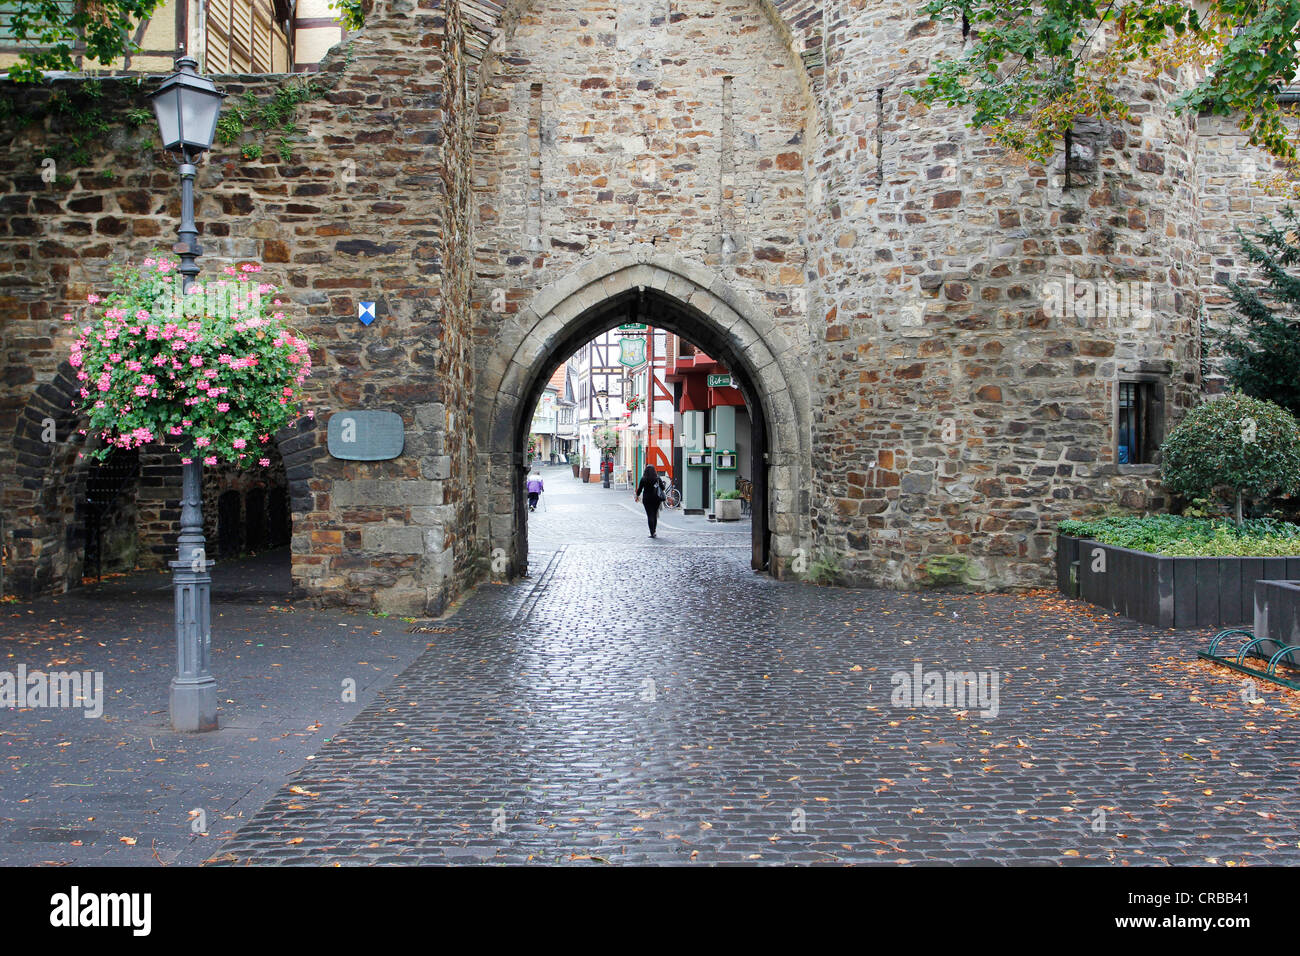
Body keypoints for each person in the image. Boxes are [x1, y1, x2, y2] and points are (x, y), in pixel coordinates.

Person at [634, 465, 664, 538]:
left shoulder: (643, 479)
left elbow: (640, 489)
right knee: (654, 514)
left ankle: (652, 532)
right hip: (656, 499)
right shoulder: (657, 478)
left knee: (649, 515)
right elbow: (663, 488)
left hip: (647, 499)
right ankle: (654, 531)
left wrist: (637, 496)